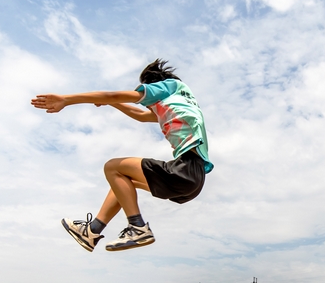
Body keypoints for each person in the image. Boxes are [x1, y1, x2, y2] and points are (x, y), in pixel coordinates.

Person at [31, 59, 213, 252]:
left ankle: (138, 227)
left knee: (112, 167)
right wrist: (111, 104)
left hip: (184, 168)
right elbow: (140, 116)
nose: (146, 105)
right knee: (123, 183)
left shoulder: (169, 87)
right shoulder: (181, 104)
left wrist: (67, 99)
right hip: (194, 179)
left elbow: (115, 94)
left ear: (154, 87)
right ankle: (92, 231)